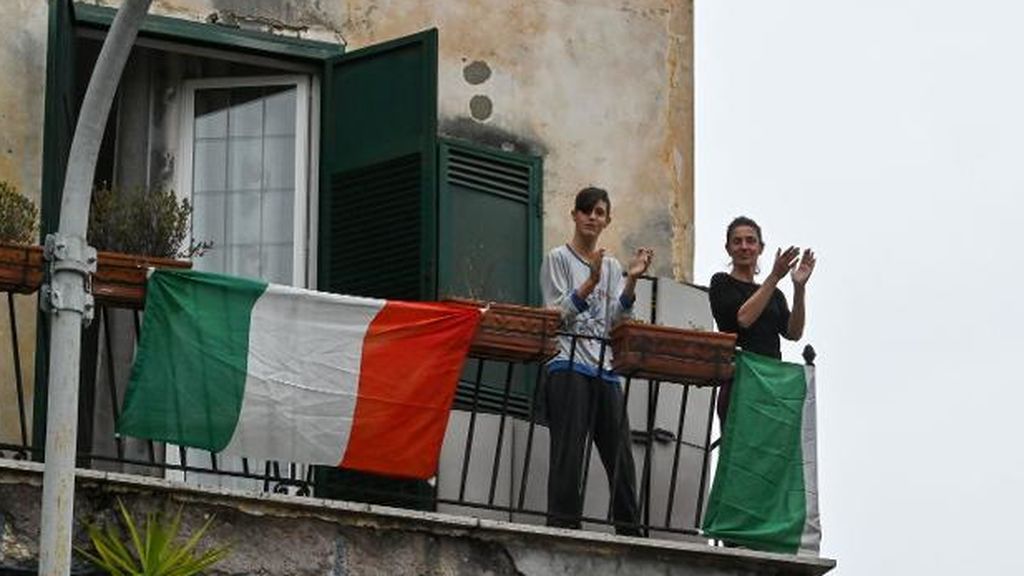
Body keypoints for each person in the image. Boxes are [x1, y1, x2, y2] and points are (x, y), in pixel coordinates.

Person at [539, 186, 653, 534]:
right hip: (566, 365)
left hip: (604, 370)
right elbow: (555, 315)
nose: (592, 217)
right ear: (574, 215)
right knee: (569, 453)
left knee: (621, 455)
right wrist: (589, 282)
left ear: (607, 220)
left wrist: (631, 280)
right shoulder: (557, 258)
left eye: (599, 212)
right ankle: (563, 526)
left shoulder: (614, 266)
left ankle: (630, 529)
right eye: (586, 210)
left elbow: (618, 320)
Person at [708, 216, 816, 422]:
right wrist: (774, 276)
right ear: (728, 248)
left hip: (771, 382)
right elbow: (744, 319)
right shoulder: (721, 282)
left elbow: (793, 333)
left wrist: (799, 288)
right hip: (740, 381)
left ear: (760, 247)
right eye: (737, 241)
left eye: (750, 240)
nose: (744, 246)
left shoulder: (774, 295)